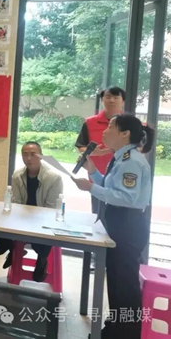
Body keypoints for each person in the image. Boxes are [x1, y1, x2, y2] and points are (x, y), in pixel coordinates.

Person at [72, 114, 153, 339]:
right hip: (118, 221)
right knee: (116, 279)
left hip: (128, 224)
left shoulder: (132, 161)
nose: (105, 131)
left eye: (110, 127)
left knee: (125, 283)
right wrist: (92, 171)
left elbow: (126, 198)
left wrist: (90, 188)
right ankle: (115, 329)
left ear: (125, 134)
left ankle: (127, 333)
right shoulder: (120, 157)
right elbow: (110, 187)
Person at [0, 141, 64, 282]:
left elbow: (51, 209)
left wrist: (32, 219)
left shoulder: (54, 178)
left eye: (33, 154)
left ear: (41, 156)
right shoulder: (18, 175)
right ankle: (13, 250)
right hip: (22, 217)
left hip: (43, 219)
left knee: (44, 235)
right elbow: (16, 202)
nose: (29, 158)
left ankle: (42, 260)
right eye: (25, 155)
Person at [76, 86, 126, 215]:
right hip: (97, 176)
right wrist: (92, 152)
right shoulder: (90, 122)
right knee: (98, 214)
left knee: (120, 213)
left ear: (123, 101)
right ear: (102, 100)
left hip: (122, 176)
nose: (111, 100)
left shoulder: (130, 124)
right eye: (108, 97)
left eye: (116, 97)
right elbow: (81, 145)